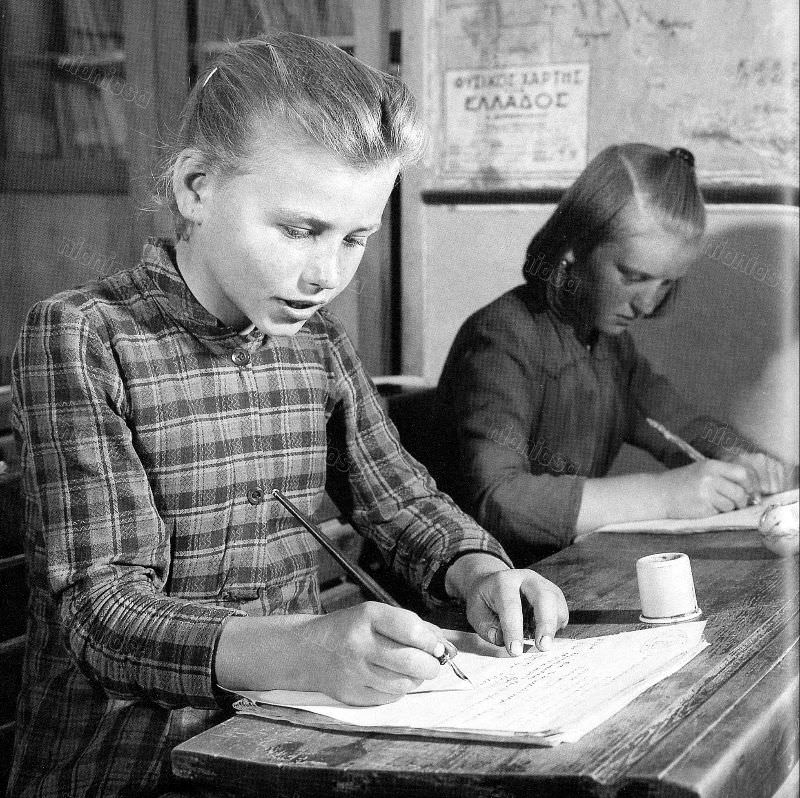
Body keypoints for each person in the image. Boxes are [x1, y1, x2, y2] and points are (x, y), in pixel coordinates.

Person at [8, 33, 568, 798]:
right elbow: (101, 615)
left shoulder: (317, 345)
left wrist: (481, 571)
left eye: (355, 238)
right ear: (197, 188)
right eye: (300, 229)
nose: (326, 273)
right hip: (133, 767)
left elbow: (403, 503)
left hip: (290, 750)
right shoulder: (83, 336)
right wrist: (305, 649)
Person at [436, 144, 795, 564]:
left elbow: (680, 424)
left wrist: (739, 457)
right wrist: (664, 495)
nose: (646, 304)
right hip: (476, 588)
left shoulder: (609, 345)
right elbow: (499, 500)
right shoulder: (503, 336)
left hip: (552, 573)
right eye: (633, 276)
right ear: (572, 250)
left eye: (665, 283)